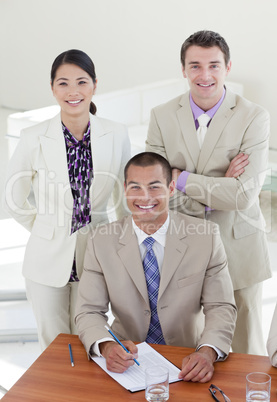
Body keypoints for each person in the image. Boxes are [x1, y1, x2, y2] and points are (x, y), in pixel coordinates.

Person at [146, 30, 271, 355]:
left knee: (246, 348)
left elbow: (243, 196)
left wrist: (182, 177)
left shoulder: (253, 116)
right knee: (188, 346)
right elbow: (154, 193)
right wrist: (220, 186)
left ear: (228, 67)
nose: (205, 75)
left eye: (214, 65)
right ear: (184, 69)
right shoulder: (161, 116)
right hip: (183, 245)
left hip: (239, 246)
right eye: (195, 66)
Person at [3, 49, 131, 351]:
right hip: (45, 261)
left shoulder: (116, 133)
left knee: (92, 341)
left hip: (96, 255)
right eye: (63, 83)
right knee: (54, 347)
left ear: (94, 85)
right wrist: (48, 226)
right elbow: (14, 199)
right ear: (52, 88)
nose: (73, 92)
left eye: (81, 82)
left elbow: (124, 197)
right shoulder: (33, 136)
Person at [75, 152, 237, 383]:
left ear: (171, 188)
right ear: (124, 189)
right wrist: (107, 346)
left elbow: (220, 306)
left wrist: (207, 351)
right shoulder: (100, 241)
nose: (144, 197)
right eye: (135, 187)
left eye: (154, 187)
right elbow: (89, 310)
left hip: (187, 356)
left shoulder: (206, 237)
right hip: (127, 359)